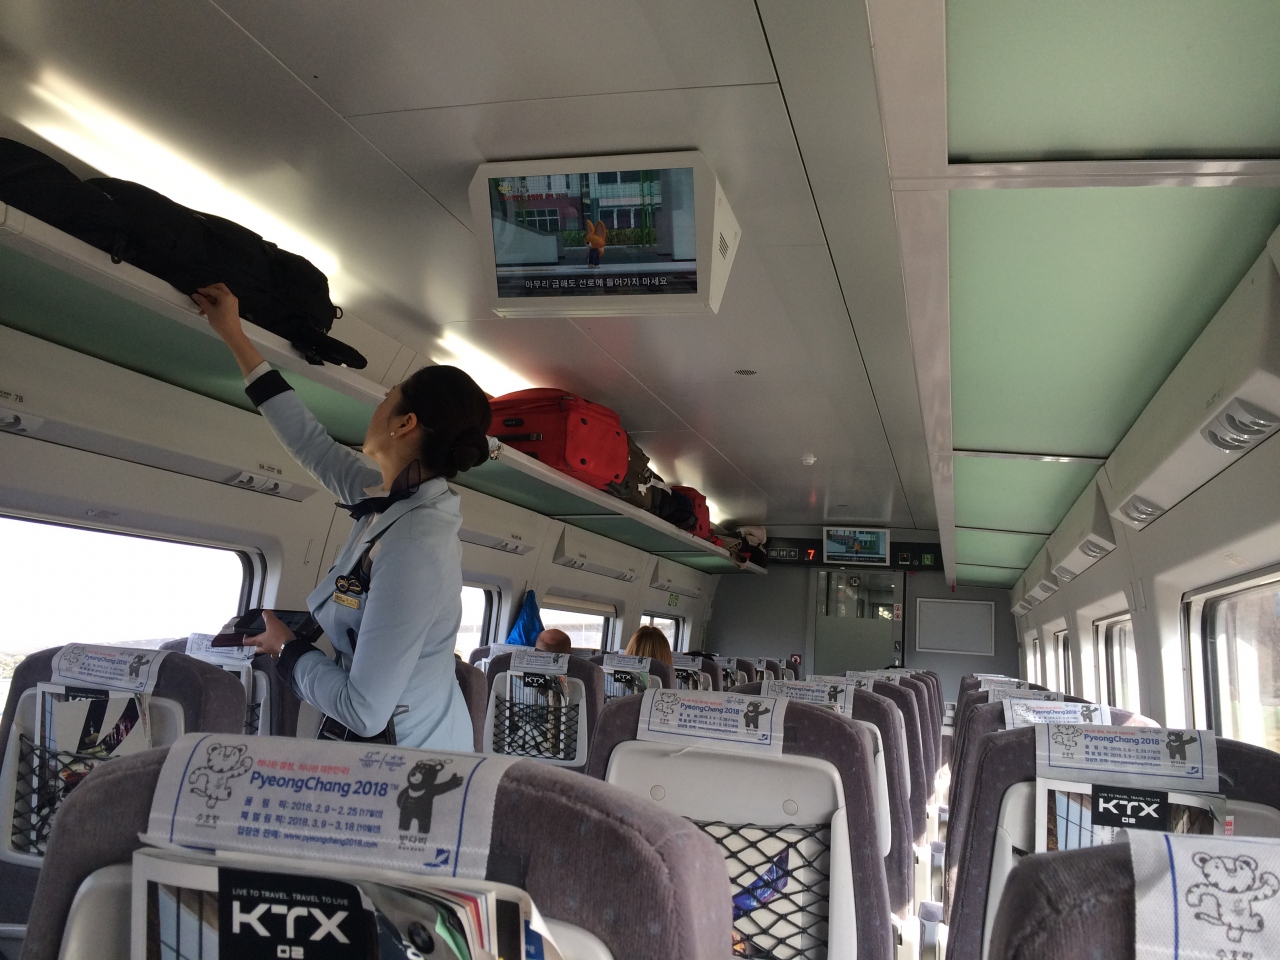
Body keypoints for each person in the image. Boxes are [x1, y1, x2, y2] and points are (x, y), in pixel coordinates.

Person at [194, 283, 491, 750]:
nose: (378, 406)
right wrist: (234, 334)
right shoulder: (392, 499)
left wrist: (287, 648)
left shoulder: (414, 546)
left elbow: (364, 711)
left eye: (388, 396)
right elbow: (310, 443)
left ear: (405, 423)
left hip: (411, 761)